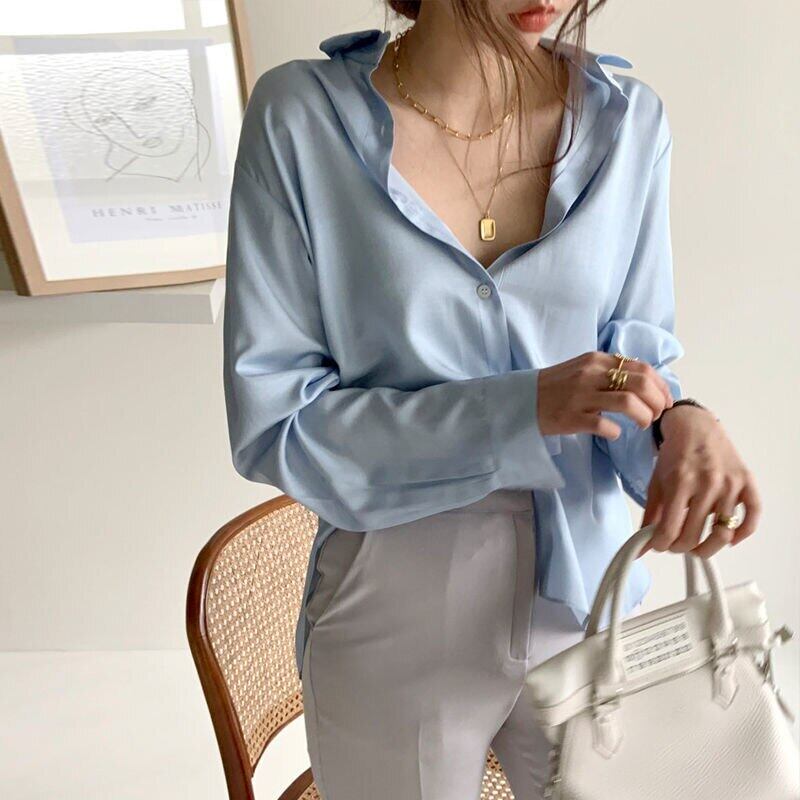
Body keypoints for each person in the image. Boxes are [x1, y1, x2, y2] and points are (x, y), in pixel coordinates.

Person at [222, 1, 761, 797]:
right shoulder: (300, 120)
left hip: (590, 607)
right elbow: (281, 425)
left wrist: (682, 424)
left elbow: (633, 360)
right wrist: (522, 408)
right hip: (396, 615)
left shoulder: (627, 123)